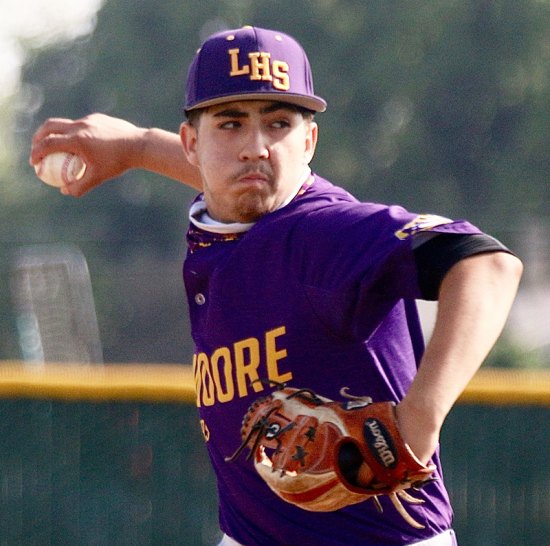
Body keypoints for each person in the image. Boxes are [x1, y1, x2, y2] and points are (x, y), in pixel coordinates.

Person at [30, 26, 522, 546]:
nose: (256, 148)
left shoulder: (321, 232)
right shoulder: (228, 221)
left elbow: (487, 265)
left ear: (308, 141)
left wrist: (416, 424)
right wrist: (136, 145)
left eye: (279, 123)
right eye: (230, 123)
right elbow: (231, 178)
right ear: (191, 142)